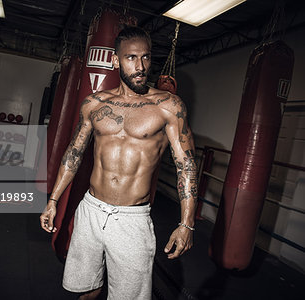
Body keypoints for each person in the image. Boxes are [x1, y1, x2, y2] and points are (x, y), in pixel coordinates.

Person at [40, 26, 198, 300]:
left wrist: (187, 223)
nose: (140, 66)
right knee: (86, 290)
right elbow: (74, 152)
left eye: (146, 58)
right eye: (131, 58)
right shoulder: (94, 104)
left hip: (131, 220)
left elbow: (186, 164)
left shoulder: (168, 106)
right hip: (90, 210)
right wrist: (53, 200)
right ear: (116, 60)